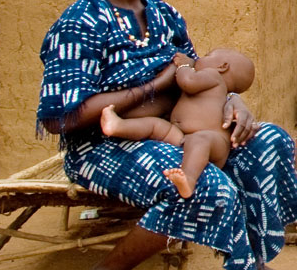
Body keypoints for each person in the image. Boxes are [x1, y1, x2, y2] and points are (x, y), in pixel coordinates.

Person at [38, 0, 297, 270]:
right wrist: (150, 88)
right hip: (104, 145)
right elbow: (63, 118)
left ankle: (245, 265)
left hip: (179, 131)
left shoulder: (164, 14)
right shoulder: (80, 24)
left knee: (270, 140)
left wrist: (234, 102)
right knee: (201, 182)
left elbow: (201, 73)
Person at [99, 48, 256, 199]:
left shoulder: (213, 76)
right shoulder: (212, 86)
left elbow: (187, 82)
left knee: (199, 139)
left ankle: (188, 178)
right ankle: (117, 126)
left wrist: (184, 65)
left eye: (207, 55)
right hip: (182, 135)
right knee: (155, 125)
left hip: (212, 140)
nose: (199, 58)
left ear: (222, 67)